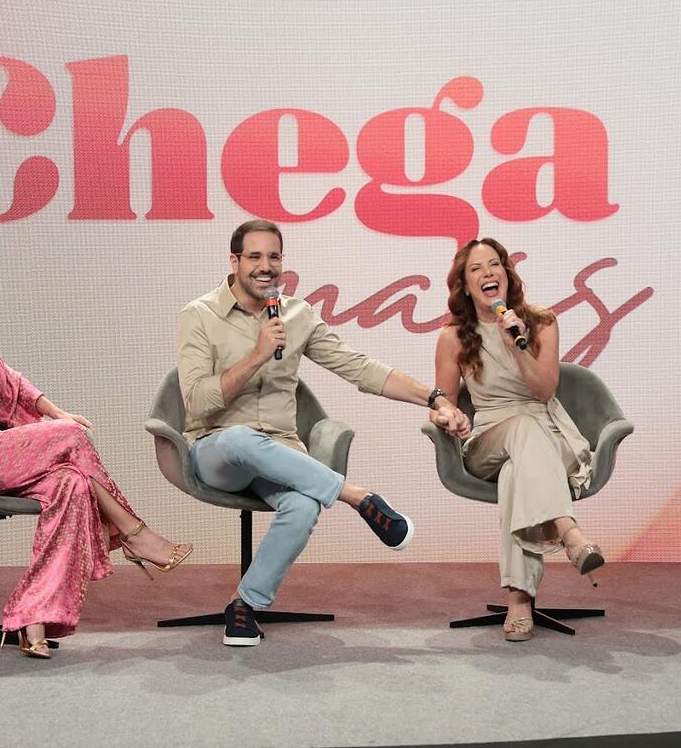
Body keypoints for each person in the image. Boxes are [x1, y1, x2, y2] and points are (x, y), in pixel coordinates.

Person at [0, 247, 192, 658]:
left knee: (72, 484)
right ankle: (133, 534)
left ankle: (32, 617)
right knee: (67, 438)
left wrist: (56, 411)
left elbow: (9, 382)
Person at [176, 219, 470, 646]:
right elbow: (198, 403)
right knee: (241, 439)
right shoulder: (199, 315)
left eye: (273, 257)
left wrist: (436, 399)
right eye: (254, 257)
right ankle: (358, 497)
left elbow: (360, 368)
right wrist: (258, 355)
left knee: (302, 504)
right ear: (234, 261)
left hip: (279, 450)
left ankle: (244, 605)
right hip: (216, 451)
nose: (265, 266)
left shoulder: (296, 315)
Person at [433, 238, 604, 642]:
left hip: (547, 433)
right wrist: (448, 415)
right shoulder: (454, 336)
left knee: (517, 472)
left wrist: (517, 347)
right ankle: (570, 533)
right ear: (465, 284)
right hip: (489, 439)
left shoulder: (540, 322)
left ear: (508, 275)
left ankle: (519, 600)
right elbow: (441, 399)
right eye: (477, 269)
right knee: (520, 435)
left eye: (495, 265)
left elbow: (544, 391)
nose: (488, 273)